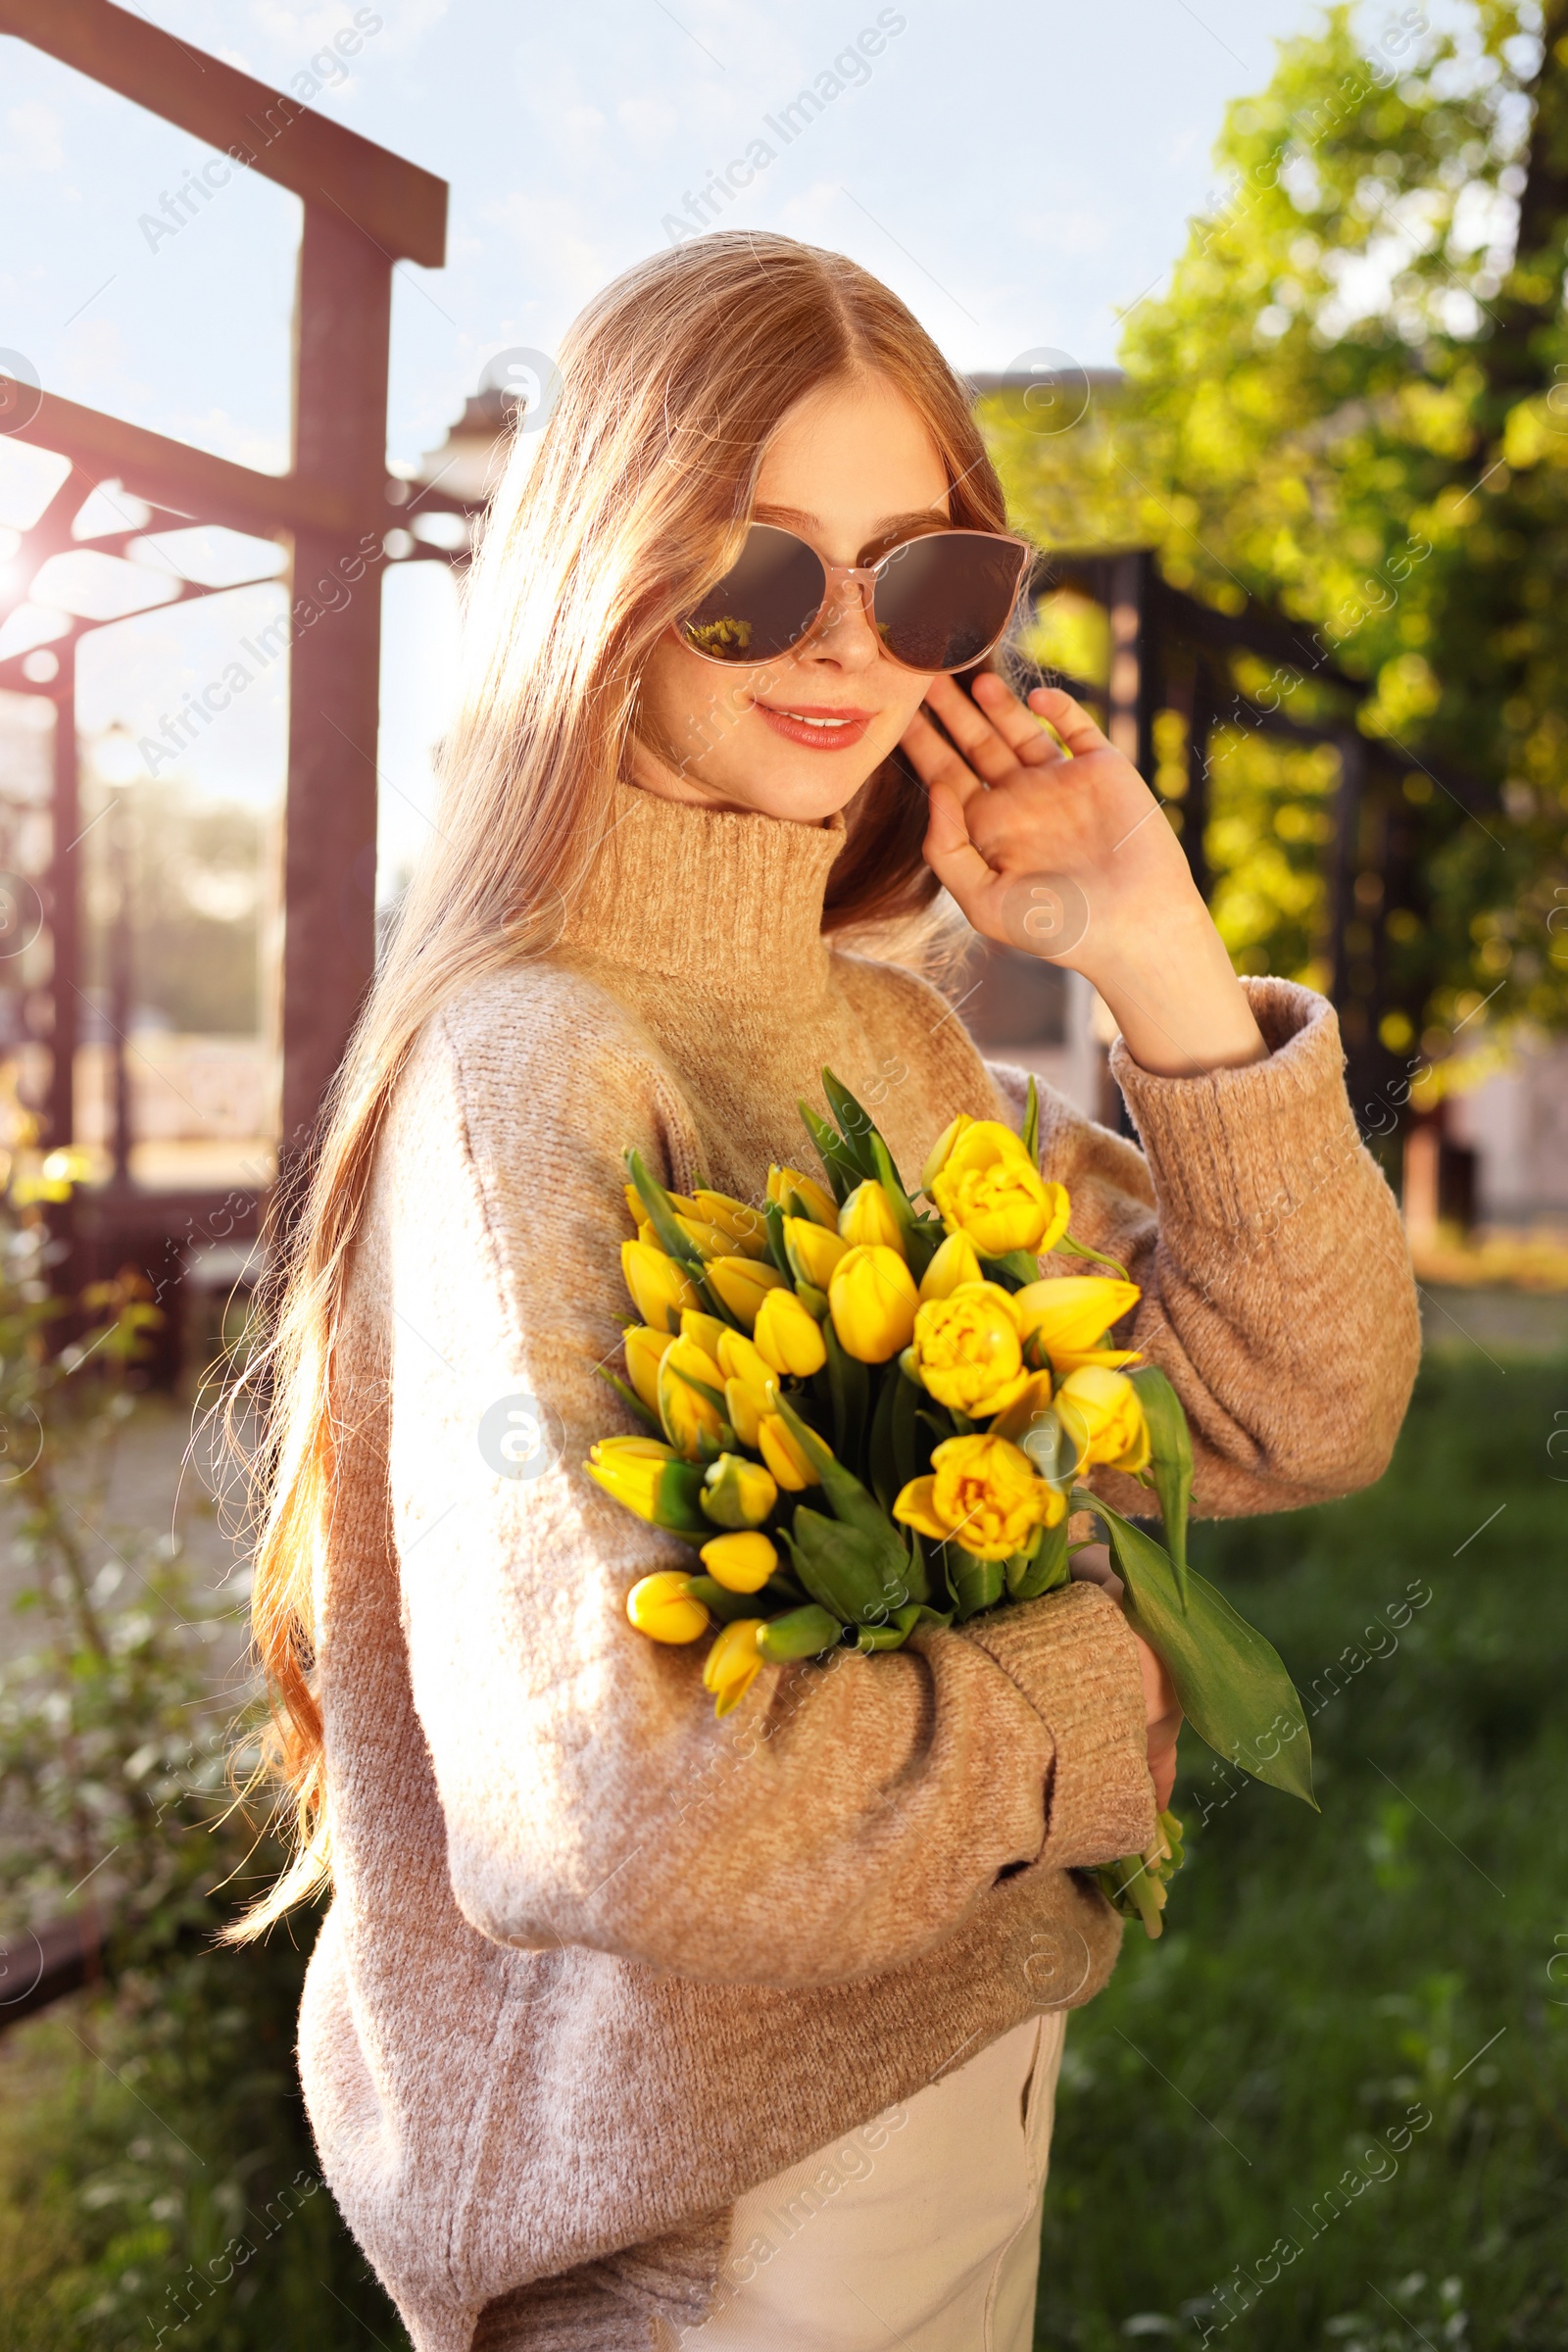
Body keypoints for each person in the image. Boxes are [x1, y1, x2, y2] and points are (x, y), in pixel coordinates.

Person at [228, 232, 1421, 2352]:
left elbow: (1289, 1405)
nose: (846, 644)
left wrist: (1145, 948)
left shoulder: (890, 1043)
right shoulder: (536, 1070)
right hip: (709, 2235)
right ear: (606, 563)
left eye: (926, 578)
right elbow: (626, 1814)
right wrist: (1088, 1714)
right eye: (756, 570)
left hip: (947, 2109)